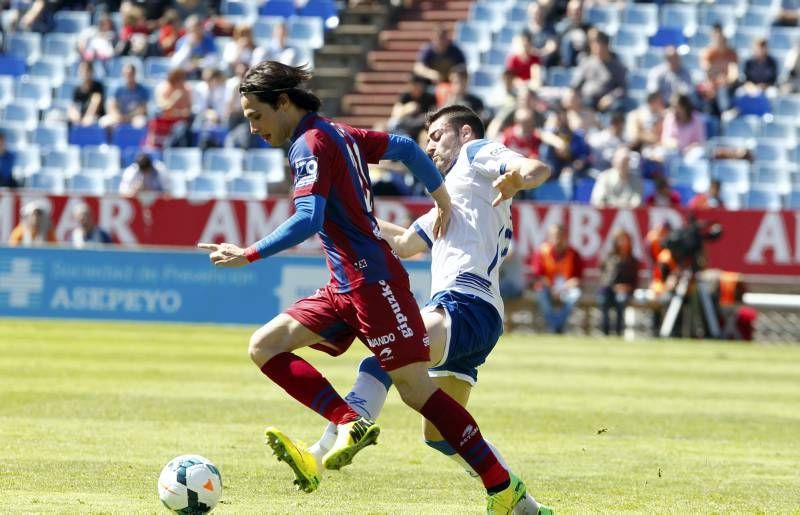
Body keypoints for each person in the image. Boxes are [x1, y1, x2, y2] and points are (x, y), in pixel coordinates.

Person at [197, 62, 533, 514]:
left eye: (256, 114)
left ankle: (502, 487)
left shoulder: (309, 146)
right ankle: (348, 419)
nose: (253, 127)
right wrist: (440, 196)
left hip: (371, 281)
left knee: (414, 390)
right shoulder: (339, 132)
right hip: (344, 282)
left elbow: (308, 219)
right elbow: (405, 148)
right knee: (265, 346)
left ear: (282, 103)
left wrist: (250, 253)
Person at [307, 104, 553, 515]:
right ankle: (520, 502)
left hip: (464, 302)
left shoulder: (476, 156)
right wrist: (345, 211)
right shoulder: (450, 198)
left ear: (466, 133)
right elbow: (405, 244)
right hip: (480, 316)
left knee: (387, 354)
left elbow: (536, 168)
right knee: (439, 434)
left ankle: (336, 436)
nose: (431, 147)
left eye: (438, 136)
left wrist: (518, 178)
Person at [530, 223, 583, 334]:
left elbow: (577, 278)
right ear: (549, 237)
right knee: (541, 294)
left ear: (565, 237)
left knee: (576, 295)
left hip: (566, 289)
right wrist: (552, 288)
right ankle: (557, 326)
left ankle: (554, 326)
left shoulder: (573, 254)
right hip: (547, 288)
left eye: (559, 235)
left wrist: (561, 288)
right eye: (554, 236)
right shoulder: (542, 251)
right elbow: (538, 276)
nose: (557, 239)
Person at [598, 229, 639, 336]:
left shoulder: (633, 260)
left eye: (624, 239)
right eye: (619, 239)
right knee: (604, 299)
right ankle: (605, 330)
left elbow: (635, 281)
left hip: (625, 291)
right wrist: (614, 287)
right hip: (609, 290)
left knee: (621, 299)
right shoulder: (609, 257)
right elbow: (604, 277)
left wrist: (627, 287)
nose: (622, 242)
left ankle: (618, 331)